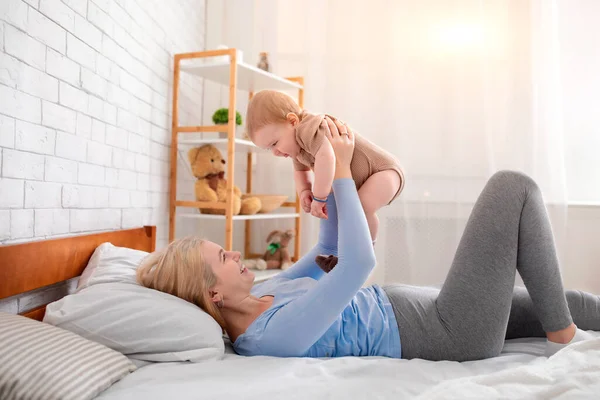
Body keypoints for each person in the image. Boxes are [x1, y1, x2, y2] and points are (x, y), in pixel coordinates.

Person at [137, 117, 600, 361]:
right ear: (212, 292)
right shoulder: (268, 337)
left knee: (568, 298)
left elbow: (326, 257)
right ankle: (562, 337)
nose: (235, 252)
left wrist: (323, 199)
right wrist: (339, 174)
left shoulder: (262, 292)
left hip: (437, 309)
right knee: (513, 187)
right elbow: (356, 265)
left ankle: (562, 320)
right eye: (222, 256)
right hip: (450, 331)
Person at [244, 90, 405, 271]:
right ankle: (343, 254)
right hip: (369, 178)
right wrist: (304, 191)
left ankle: (365, 252)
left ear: (292, 121)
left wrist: (319, 197)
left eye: (274, 143)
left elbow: (326, 157)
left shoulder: (310, 127)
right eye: (269, 149)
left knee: (361, 208)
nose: (275, 152)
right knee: (348, 213)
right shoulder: (296, 146)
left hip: (384, 172)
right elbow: (300, 172)